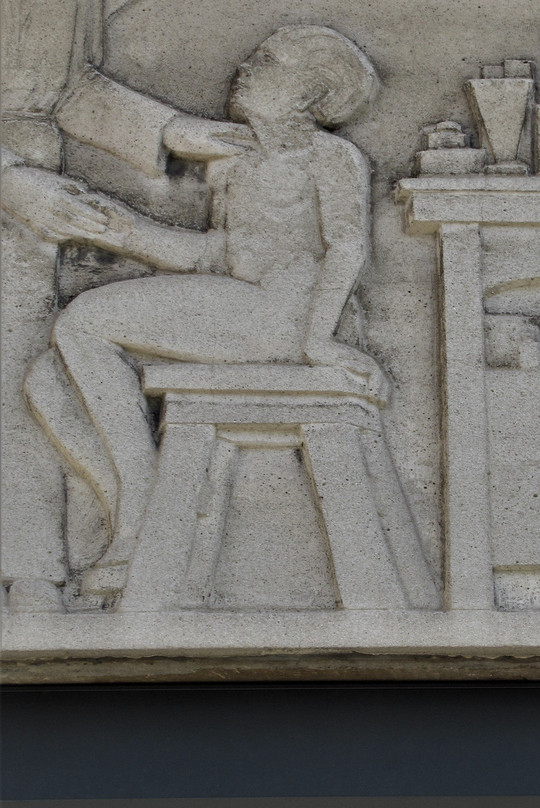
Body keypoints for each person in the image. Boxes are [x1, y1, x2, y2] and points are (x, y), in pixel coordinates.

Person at [10, 26, 387, 597]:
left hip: (287, 318)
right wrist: (128, 231)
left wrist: (320, 341)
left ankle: (142, 506)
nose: (245, 67)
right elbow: (214, 255)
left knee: (82, 322)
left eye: (267, 62)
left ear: (310, 94)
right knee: (45, 379)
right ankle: (139, 506)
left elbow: (348, 249)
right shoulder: (234, 164)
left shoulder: (334, 158)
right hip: (243, 308)